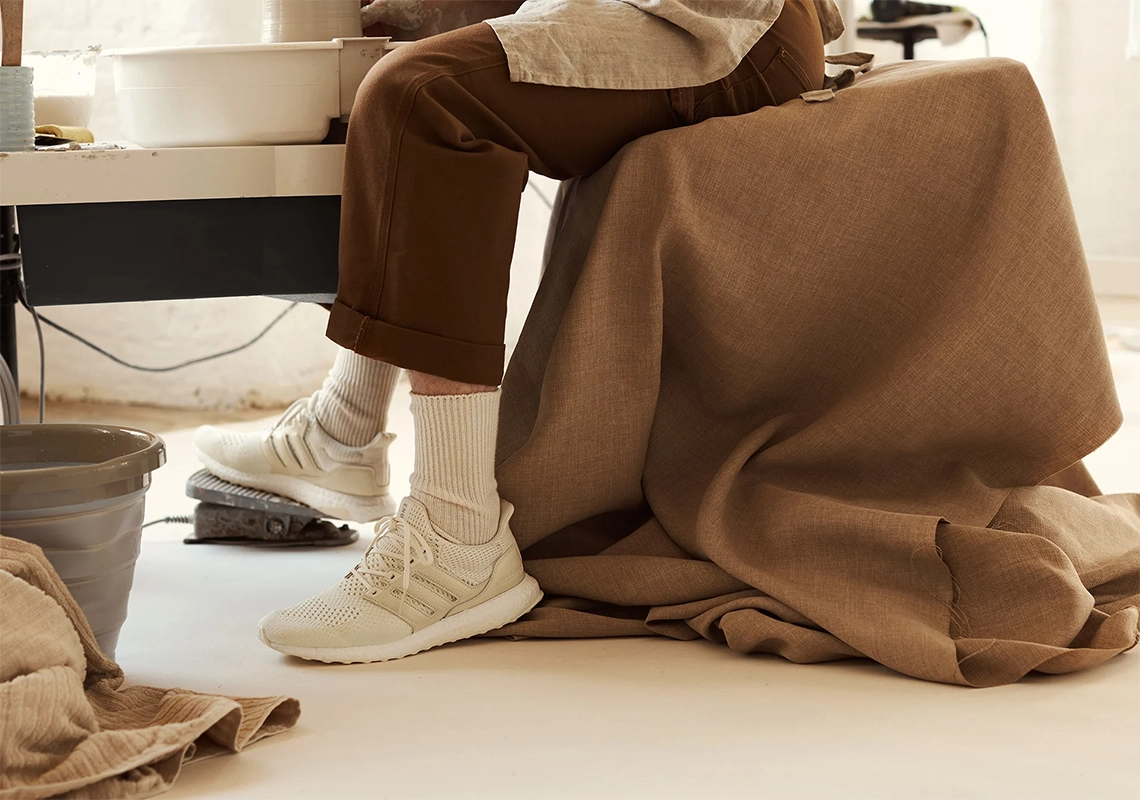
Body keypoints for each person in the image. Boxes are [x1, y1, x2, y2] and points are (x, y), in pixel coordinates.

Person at [194, 0, 845, 664]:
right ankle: (343, 426)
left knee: (422, 94)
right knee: (385, 65)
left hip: (730, 29)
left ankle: (458, 536)